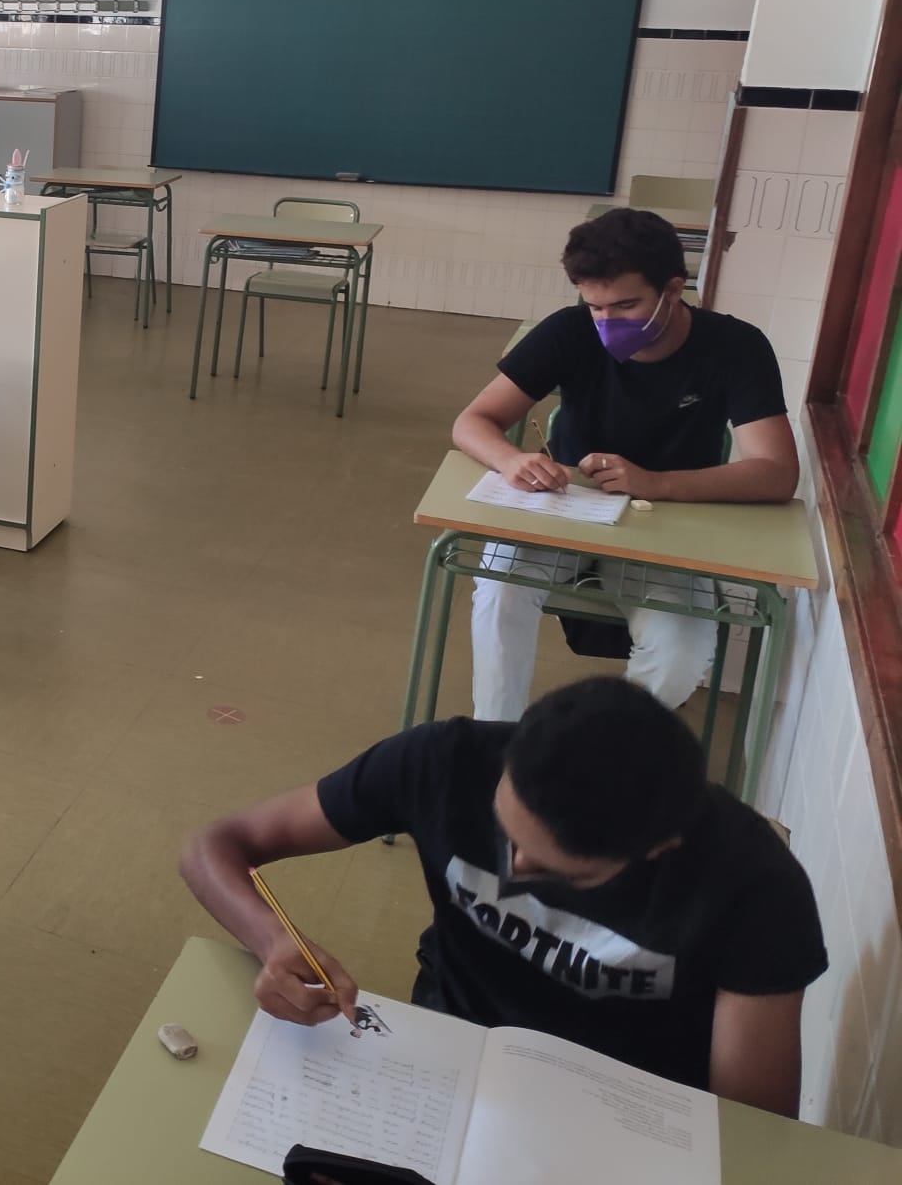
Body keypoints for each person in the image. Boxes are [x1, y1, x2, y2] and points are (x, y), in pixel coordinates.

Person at [179, 676, 826, 1115]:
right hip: (449, 1054)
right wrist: (274, 941)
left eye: (552, 871)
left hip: (623, 1109)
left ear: (656, 849)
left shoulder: (755, 886)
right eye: (506, 830)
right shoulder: (447, 759)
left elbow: (749, 1130)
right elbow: (215, 846)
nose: (511, 869)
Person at [452, 208, 798, 720]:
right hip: (564, 510)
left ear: (673, 289)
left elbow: (776, 472)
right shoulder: (569, 331)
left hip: (669, 523)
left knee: (681, 651)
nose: (608, 322)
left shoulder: (735, 346)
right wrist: (511, 459)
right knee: (498, 594)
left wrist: (655, 483)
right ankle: (497, 742)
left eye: (627, 305)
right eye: (596, 306)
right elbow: (472, 421)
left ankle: (605, 752)